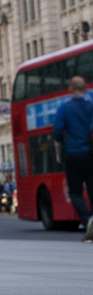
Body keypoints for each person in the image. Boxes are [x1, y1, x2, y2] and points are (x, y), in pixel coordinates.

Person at [52, 75, 93, 242]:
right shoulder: (91, 105)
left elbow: (57, 131)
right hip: (91, 154)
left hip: (73, 155)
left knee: (75, 193)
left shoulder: (64, 107)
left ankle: (87, 219)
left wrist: (65, 140)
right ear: (86, 88)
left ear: (70, 88)